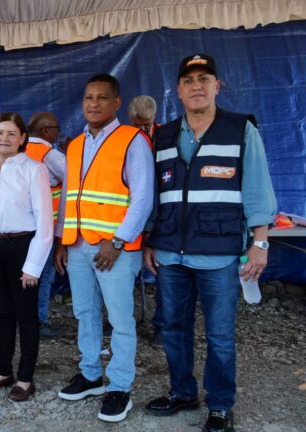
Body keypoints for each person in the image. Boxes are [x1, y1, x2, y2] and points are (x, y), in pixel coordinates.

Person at [144, 54, 276, 432]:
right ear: (179, 91)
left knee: (219, 335)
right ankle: (182, 391)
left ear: (217, 86)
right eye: (188, 81)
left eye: (204, 79)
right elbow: (158, 192)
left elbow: (256, 188)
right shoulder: (164, 134)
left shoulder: (240, 130)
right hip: (170, 253)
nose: (196, 86)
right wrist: (152, 238)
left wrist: (260, 243)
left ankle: (219, 405)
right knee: (173, 328)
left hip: (218, 255)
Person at [54, 74, 154, 423]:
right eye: (88, 98)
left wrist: (118, 241)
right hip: (79, 244)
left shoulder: (133, 139)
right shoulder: (76, 144)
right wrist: (62, 241)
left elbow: (142, 198)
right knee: (84, 313)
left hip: (114, 249)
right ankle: (92, 374)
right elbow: (70, 196)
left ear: (115, 103)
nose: (93, 104)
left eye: (101, 98)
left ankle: (120, 387)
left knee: (120, 319)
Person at [0, 113, 53, 402]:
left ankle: (26, 378)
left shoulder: (34, 169)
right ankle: (3, 371)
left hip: (23, 248)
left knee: (26, 316)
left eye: (11, 133)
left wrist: (33, 267)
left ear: (22, 138)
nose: (4, 138)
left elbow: (45, 222)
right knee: (3, 314)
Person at [25, 112, 66, 339]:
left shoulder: (17, 150)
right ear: (45, 131)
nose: (58, 132)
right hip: (45, 227)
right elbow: (74, 180)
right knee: (43, 276)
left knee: (25, 273)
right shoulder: (50, 154)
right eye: (56, 128)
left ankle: (25, 319)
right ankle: (39, 322)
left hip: (22, 228)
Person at [127, 94, 164, 347]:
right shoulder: (122, 138)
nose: (142, 129)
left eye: (146, 124)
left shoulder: (166, 136)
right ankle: (121, 321)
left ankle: (162, 325)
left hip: (160, 214)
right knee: (122, 273)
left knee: (163, 272)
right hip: (128, 216)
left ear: (154, 118)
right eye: (137, 124)